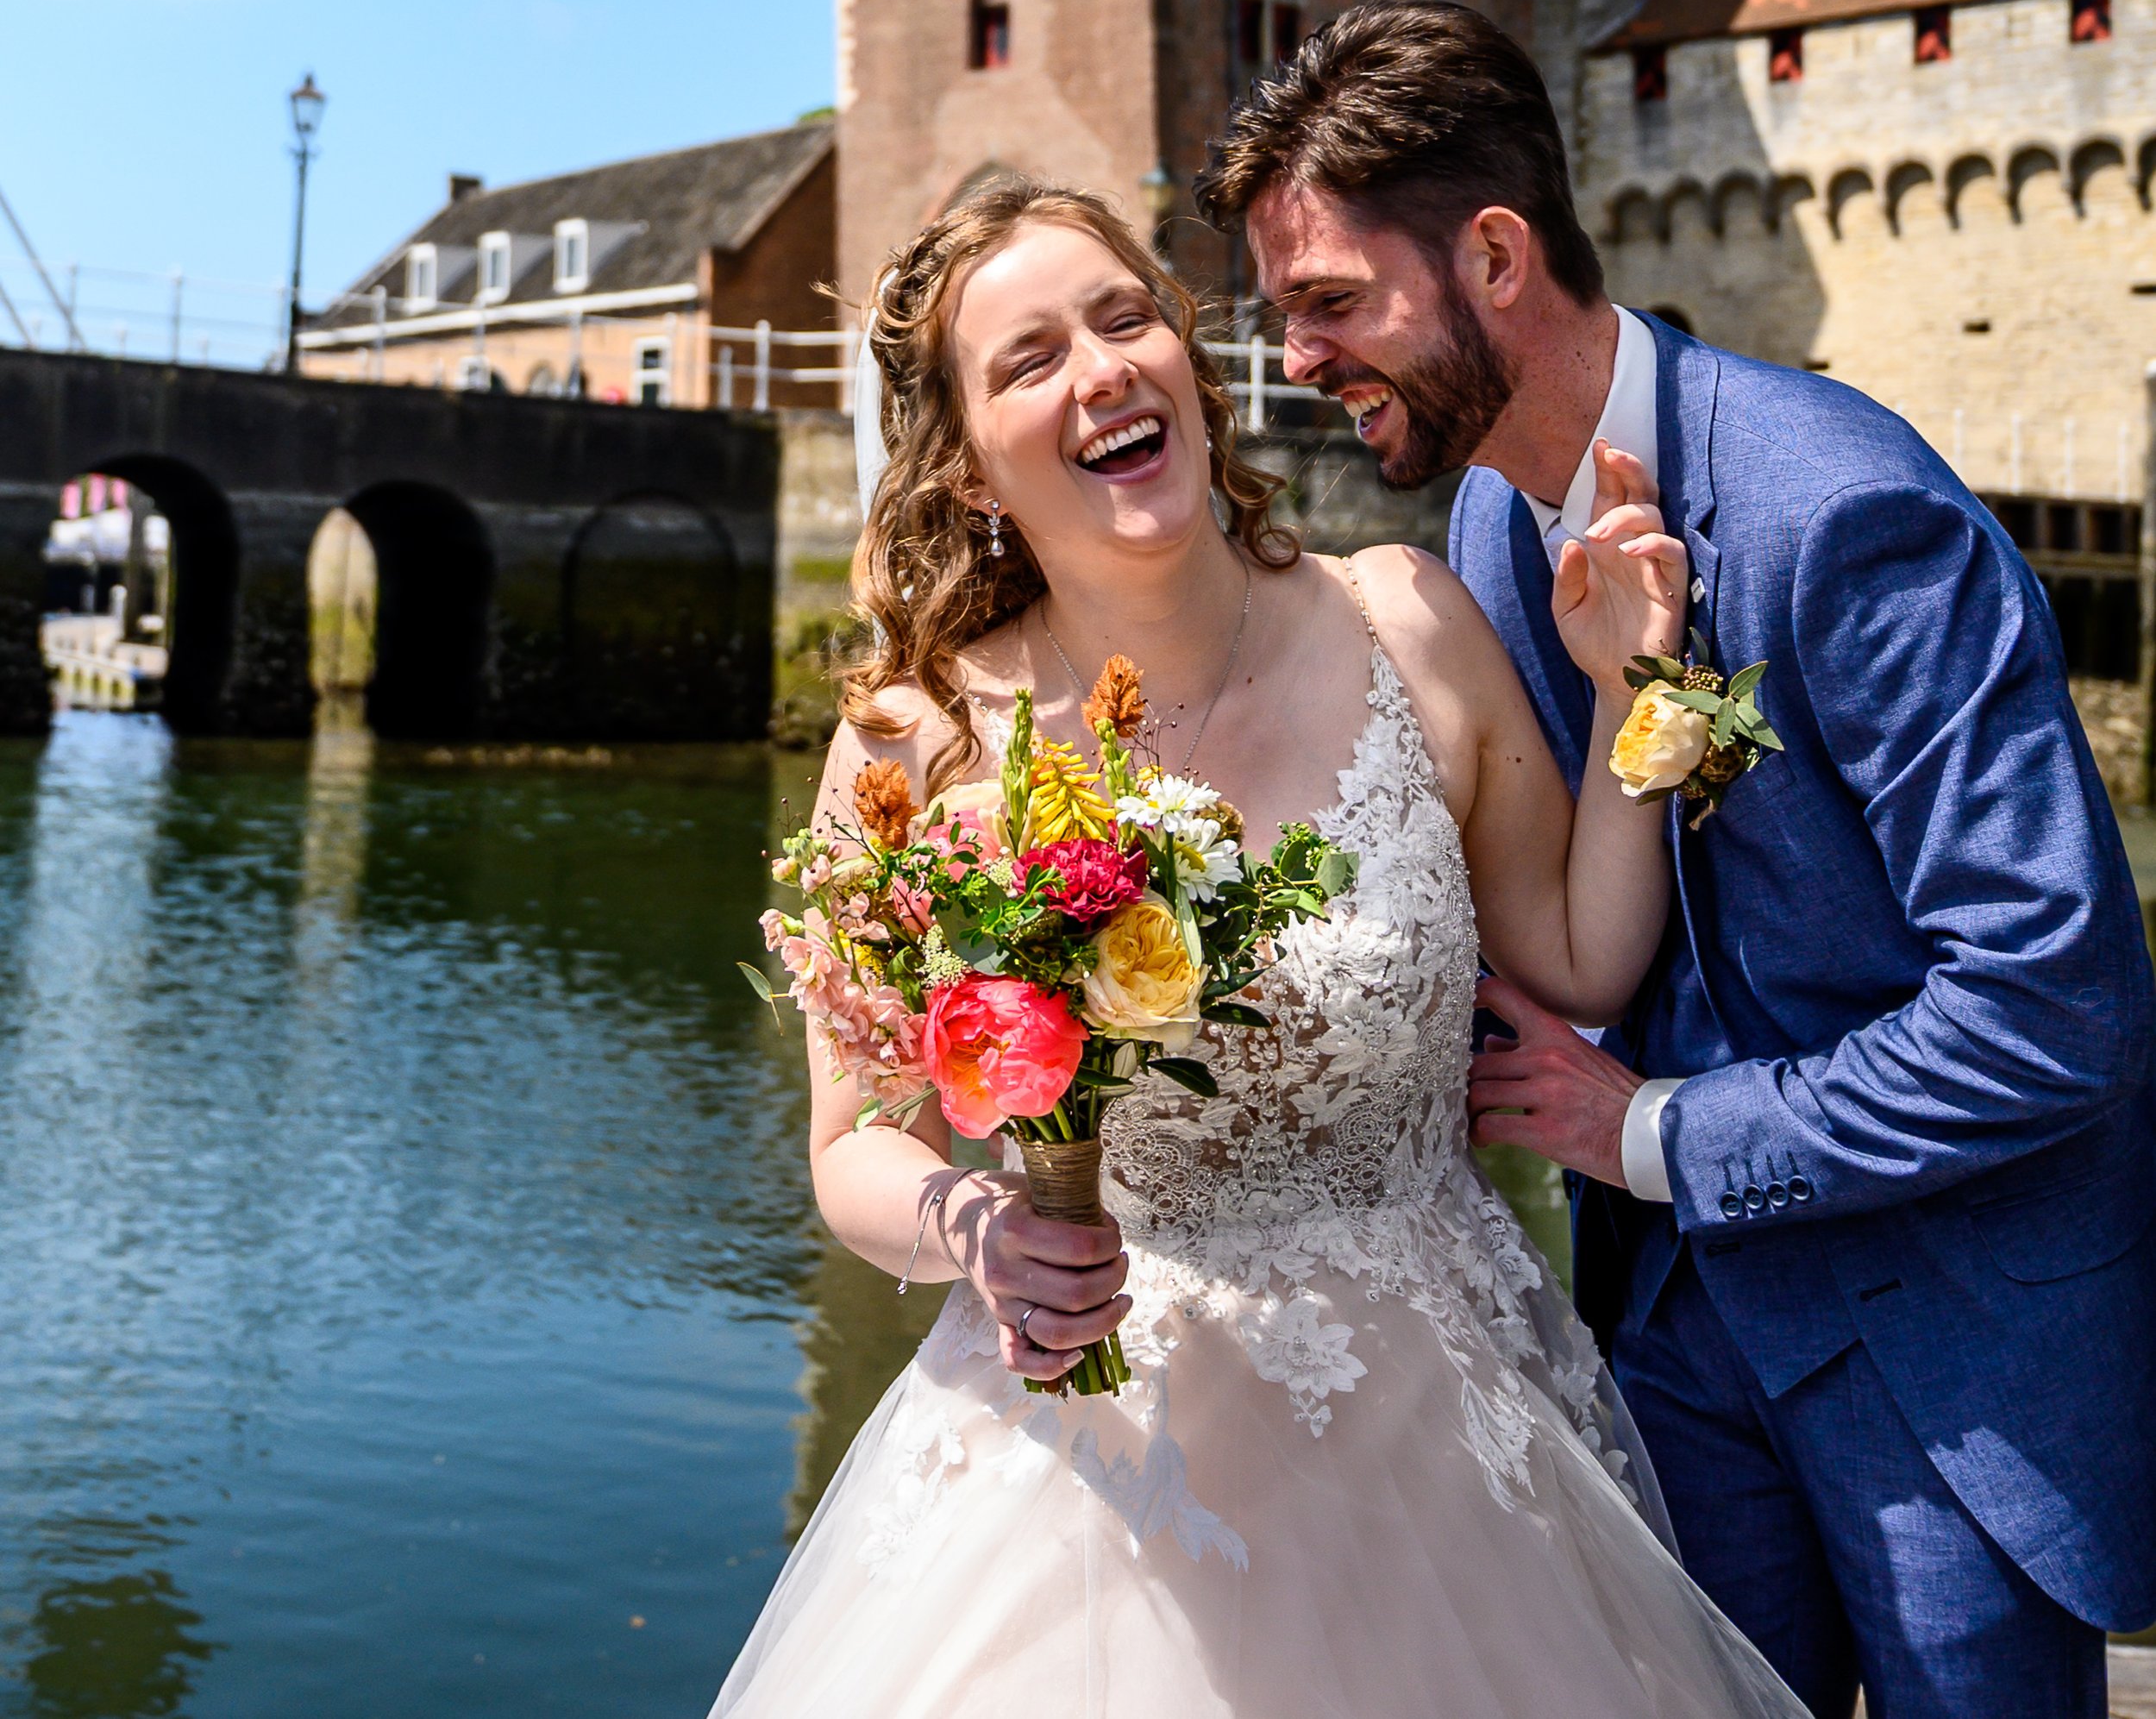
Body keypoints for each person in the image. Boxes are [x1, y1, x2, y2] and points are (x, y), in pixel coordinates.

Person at [709, 175, 1803, 1719]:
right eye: (1029, 360)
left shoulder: (1404, 616)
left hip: (1449, 1426)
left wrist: (1635, 687)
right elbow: (854, 1144)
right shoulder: (922, 743)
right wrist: (979, 1231)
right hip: (1090, 1458)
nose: (1101, 369)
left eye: (1126, 315)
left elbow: (1579, 957)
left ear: (1189, 359)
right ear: (965, 469)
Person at [1200, 0, 2156, 1719]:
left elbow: (2048, 1008)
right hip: (1663, 1341)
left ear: (1491, 255)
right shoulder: (1491, 521)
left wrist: (1654, 1132)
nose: (1297, 364)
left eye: (1329, 306)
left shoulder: (1841, 515)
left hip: (1939, 1356)